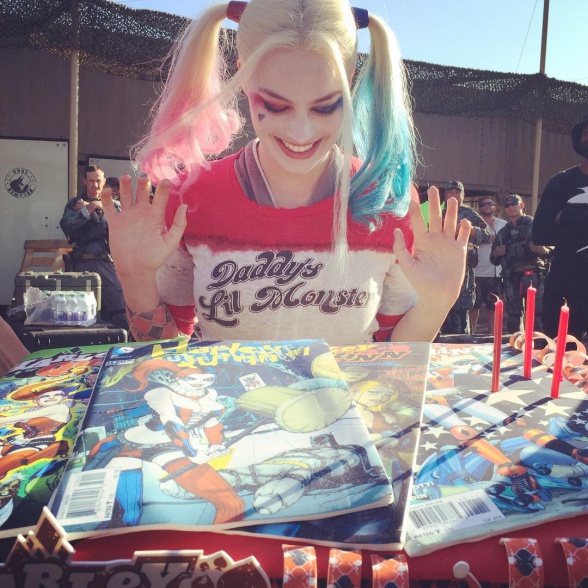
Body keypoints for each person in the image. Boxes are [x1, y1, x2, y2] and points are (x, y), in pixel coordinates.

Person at [102, 0, 470, 346]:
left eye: (325, 107)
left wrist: (437, 303)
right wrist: (135, 280)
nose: (301, 133)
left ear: (350, 78)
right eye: (277, 105)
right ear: (244, 75)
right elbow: (168, 357)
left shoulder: (384, 199)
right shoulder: (191, 197)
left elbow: (391, 354)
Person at [532, 113, 588, 341]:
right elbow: (540, 233)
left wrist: (569, 215)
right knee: (560, 352)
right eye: (587, 133)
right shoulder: (562, 182)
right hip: (566, 286)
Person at [60, 166, 128, 329]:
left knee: (119, 311)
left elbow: (124, 226)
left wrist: (99, 205)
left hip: (107, 263)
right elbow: (66, 224)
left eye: (98, 181)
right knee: (79, 314)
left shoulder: (114, 205)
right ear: (85, 181)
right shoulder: (75, 203)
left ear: (104, 181)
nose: (95, 185)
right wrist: (88, 209)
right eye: (91, 181)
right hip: (81, 265)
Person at [490, 194, 550, 334]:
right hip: (511, 278)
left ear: (522, 205)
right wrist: (496, 253)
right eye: (507, 205)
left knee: (537, 314)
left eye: (514, 204)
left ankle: (539, 343)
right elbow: (493, 260)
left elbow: (552, 251)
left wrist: (543, 250)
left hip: (534, 275)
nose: (511, 207)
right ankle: (516, 343)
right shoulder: (503, 232)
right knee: (513, 316)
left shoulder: (534, 226)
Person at [440, 181, 491, 336]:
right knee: (444, 306)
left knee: (461, 307)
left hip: (463, 267)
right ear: (445, 196)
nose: (453, 195)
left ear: (463, 196)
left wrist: (465, 229)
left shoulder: (469, 213)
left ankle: (462, 339)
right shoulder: (440, 213)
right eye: (450, 192)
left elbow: (486, 234)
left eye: (457, 192)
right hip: (442, 267)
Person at [469, 196, 507, 335]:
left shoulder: (503, 224)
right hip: (478, 271)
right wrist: (483, 239)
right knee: (474, 306)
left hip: (496, 272)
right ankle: (472, 334)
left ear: (494, 206)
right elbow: (467, 242)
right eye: (483, 204)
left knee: (493, 306)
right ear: (479, 208)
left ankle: (493, 335)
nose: (487, 206)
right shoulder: (474, 224)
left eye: (490, 204)